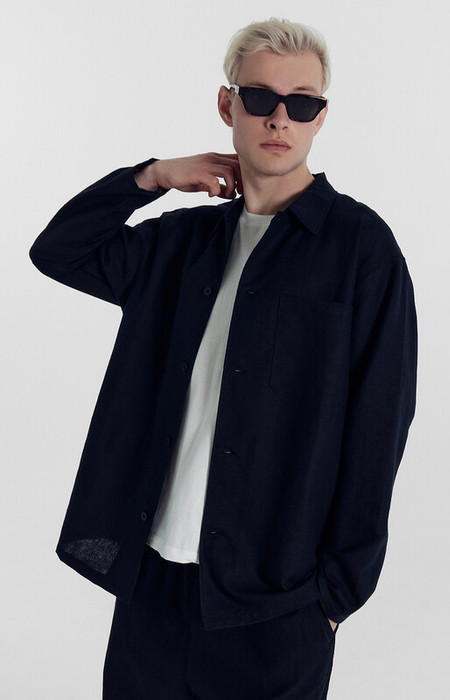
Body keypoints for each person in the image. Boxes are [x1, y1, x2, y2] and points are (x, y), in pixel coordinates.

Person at [29, 17, 417, 700]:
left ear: (320, 117)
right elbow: (59, 251)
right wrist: (151, 177)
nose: (280, 118)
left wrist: (334, 597)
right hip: (153, 584)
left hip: (276, 606)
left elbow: (379, 426)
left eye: (302, 103)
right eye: (260, 97)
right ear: (226, 104)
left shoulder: (360, 249)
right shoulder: (181, 242)